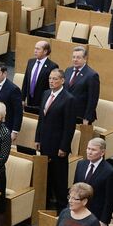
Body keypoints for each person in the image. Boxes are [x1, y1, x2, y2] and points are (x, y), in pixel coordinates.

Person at [37, 68, 76, 211]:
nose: (51, 81)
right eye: (50, 79)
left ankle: (61, 209)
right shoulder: (46, 94)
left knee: (59, 180)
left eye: (55, 79)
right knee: (46, 177)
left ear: (62, 81)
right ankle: (46, 207)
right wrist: (38, 138)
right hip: (45, 143)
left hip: (58, 146)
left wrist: (64, 147)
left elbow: (69, 126)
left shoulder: (68, 99)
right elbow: (42, 119)